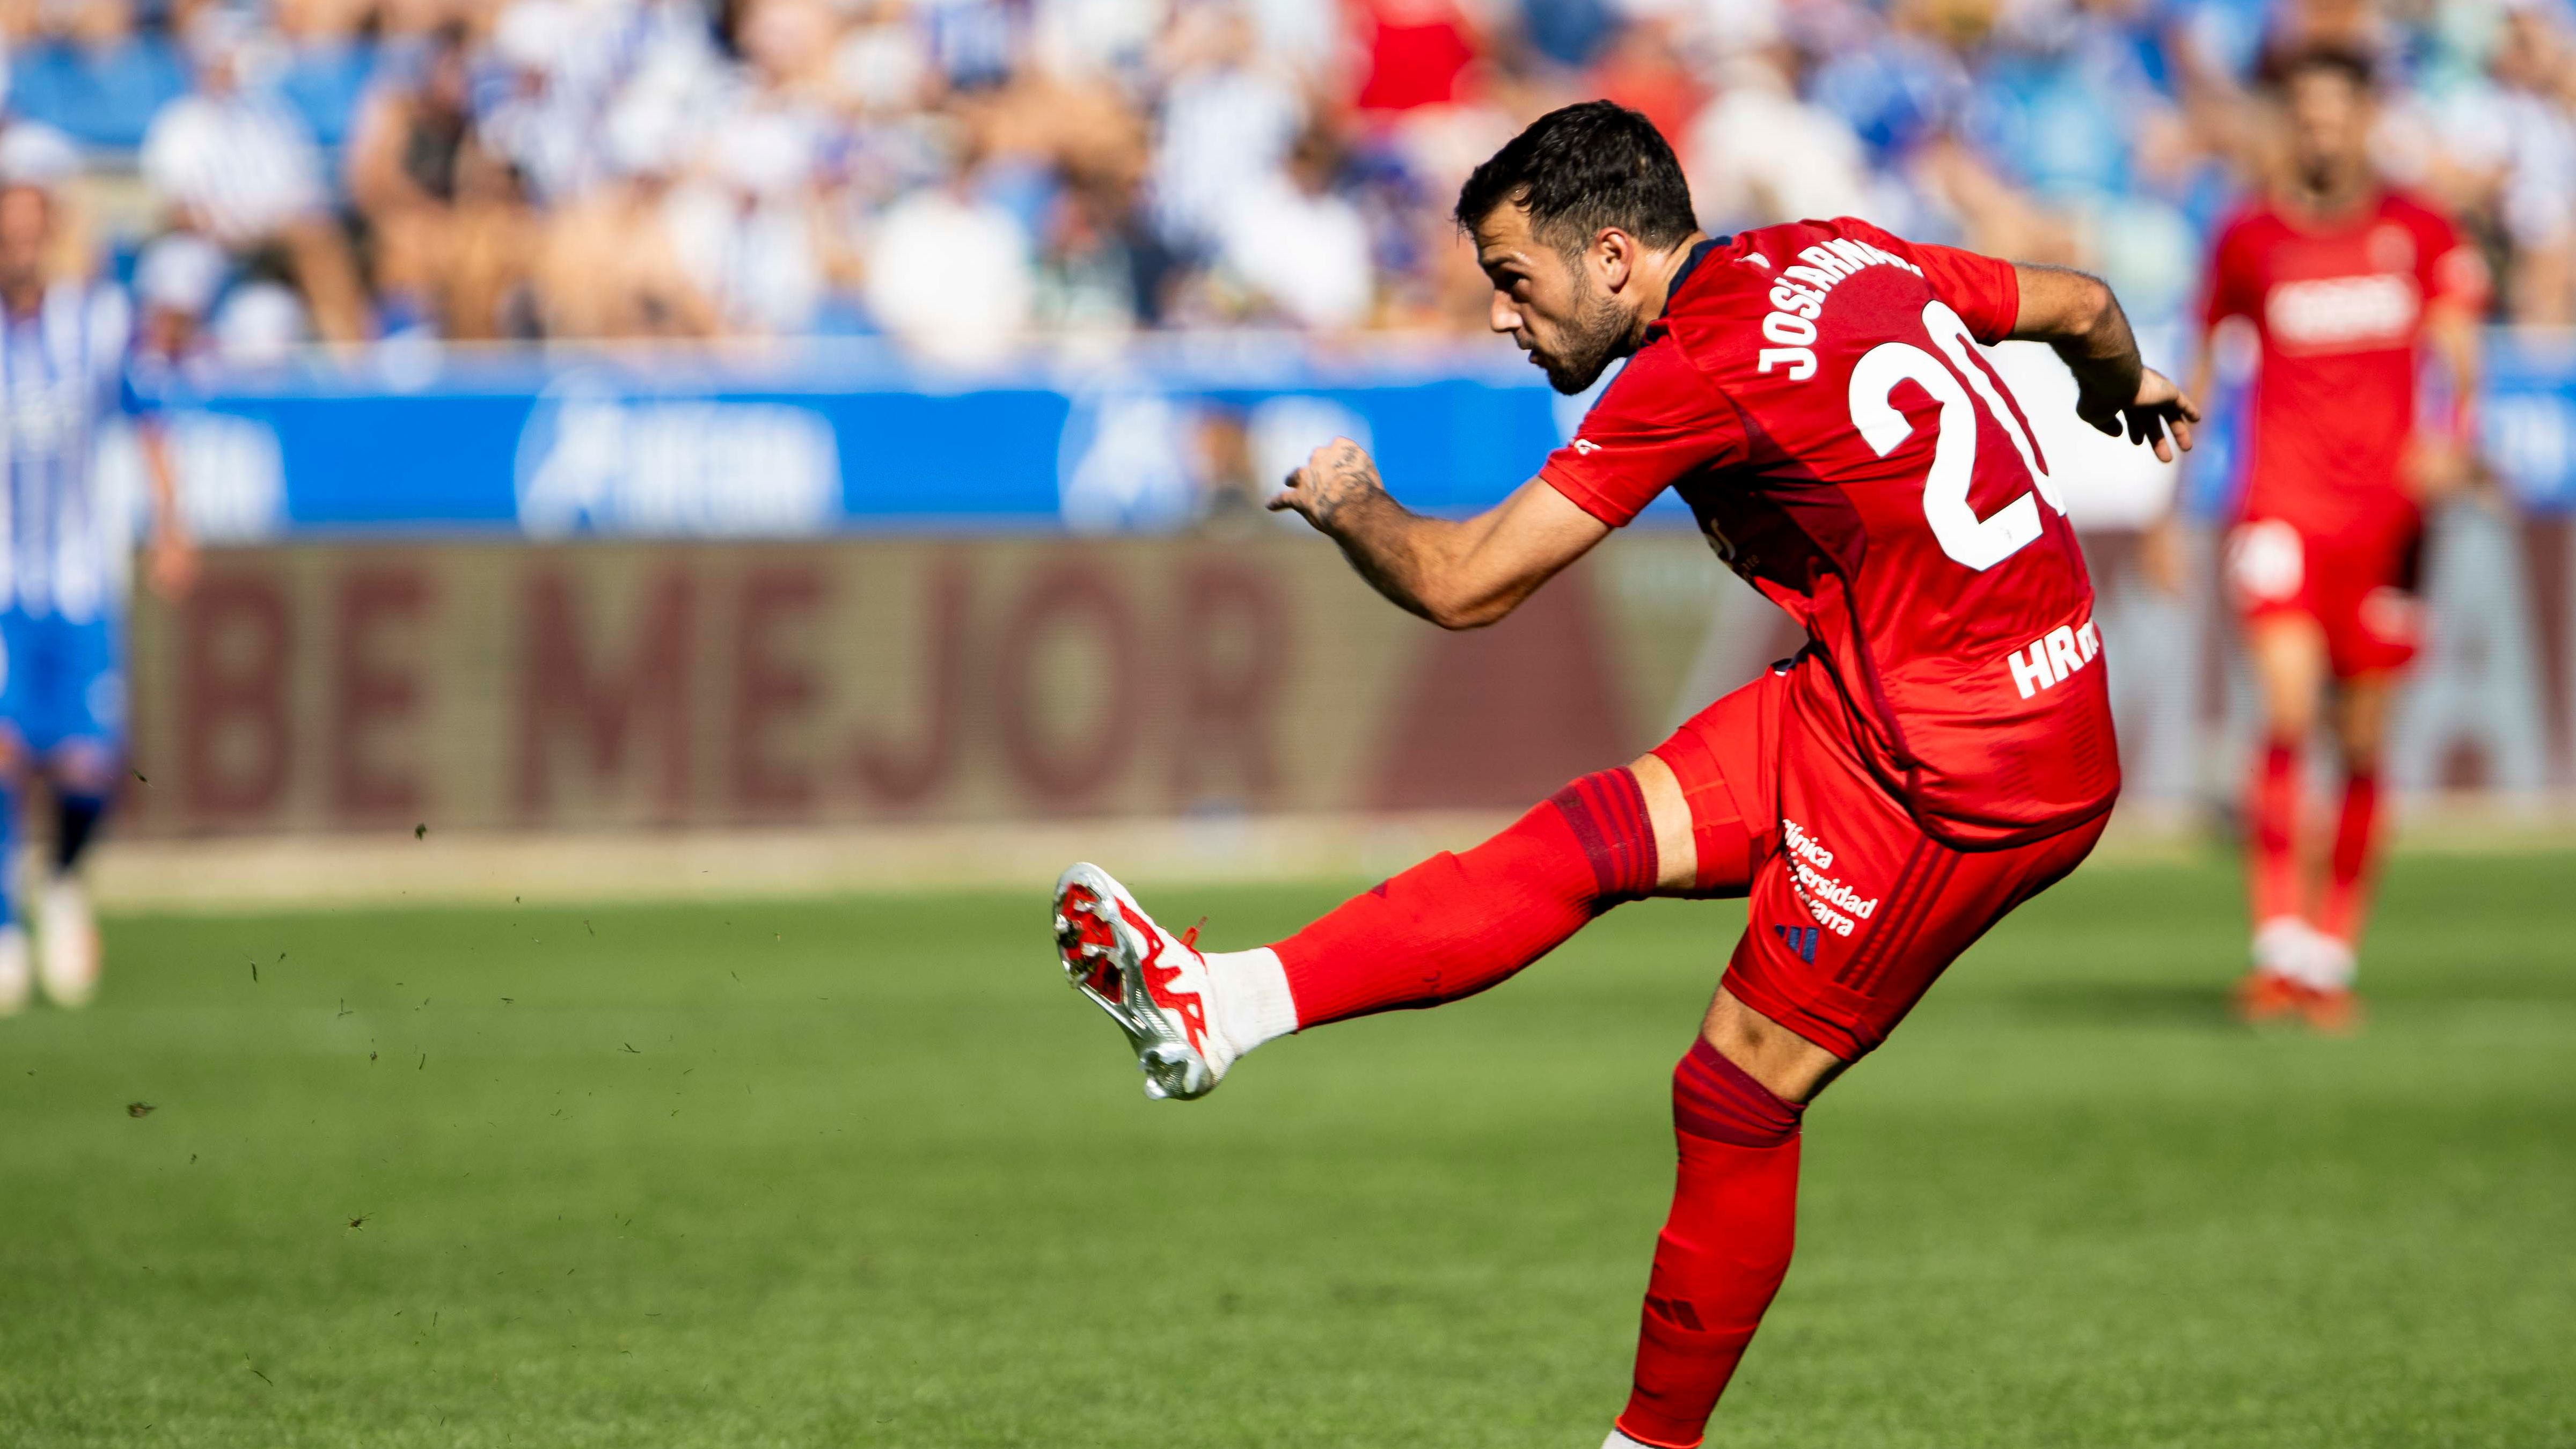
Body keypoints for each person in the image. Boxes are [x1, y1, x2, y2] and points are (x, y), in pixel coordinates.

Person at [1044, 101, 2193, 1448]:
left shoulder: (1693, 367)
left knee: (1732, 1095)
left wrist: (1353, 503)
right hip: (1884, 696)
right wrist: (2123, 386)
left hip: (1970, 775)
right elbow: (2086, 302)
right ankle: (1222, 1007)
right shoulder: (1844, 251)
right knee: (1579, 841)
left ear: (1608, 257)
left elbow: (1469, 586)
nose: (1499, 317)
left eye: (1511, 281)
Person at [2162, 45, 2483, 1031]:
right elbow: (2204, 364)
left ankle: (2331, 948)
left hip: (2387, 524)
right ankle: (2277, 947)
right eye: (2305, 113)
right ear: (2286, 122)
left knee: (2363, 736)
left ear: (2365, 119)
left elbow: (2461, 359)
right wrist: (2173, 509)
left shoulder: (2418, 231)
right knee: (2290, 707)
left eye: (2338, 113)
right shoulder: (2249, 236)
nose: (2322, 130)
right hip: (2280, 507)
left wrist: (2450, 440)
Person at [0, 129, 196, 1015]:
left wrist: (170, 526)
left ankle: (65, 881)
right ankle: (5, 922)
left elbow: (149, 419)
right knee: (4, 755)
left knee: (85, 765)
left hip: (79, 579)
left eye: (27, 227)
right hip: (4, 581)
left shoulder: (98, 323)